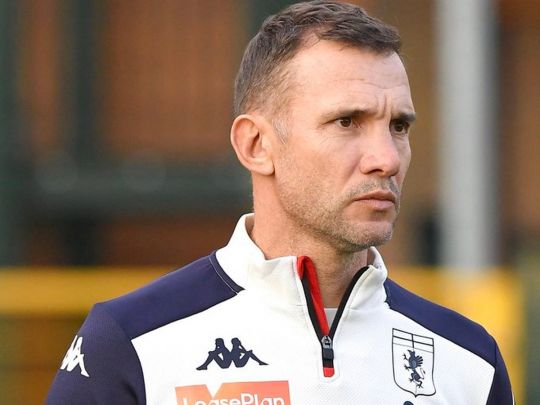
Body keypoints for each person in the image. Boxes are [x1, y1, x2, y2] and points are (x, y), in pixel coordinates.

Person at [47, 1, 513, 404]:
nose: (386, 159)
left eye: (398, 126)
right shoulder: (132, 344)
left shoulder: (470, 362)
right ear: (256, 145)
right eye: (347, 121)